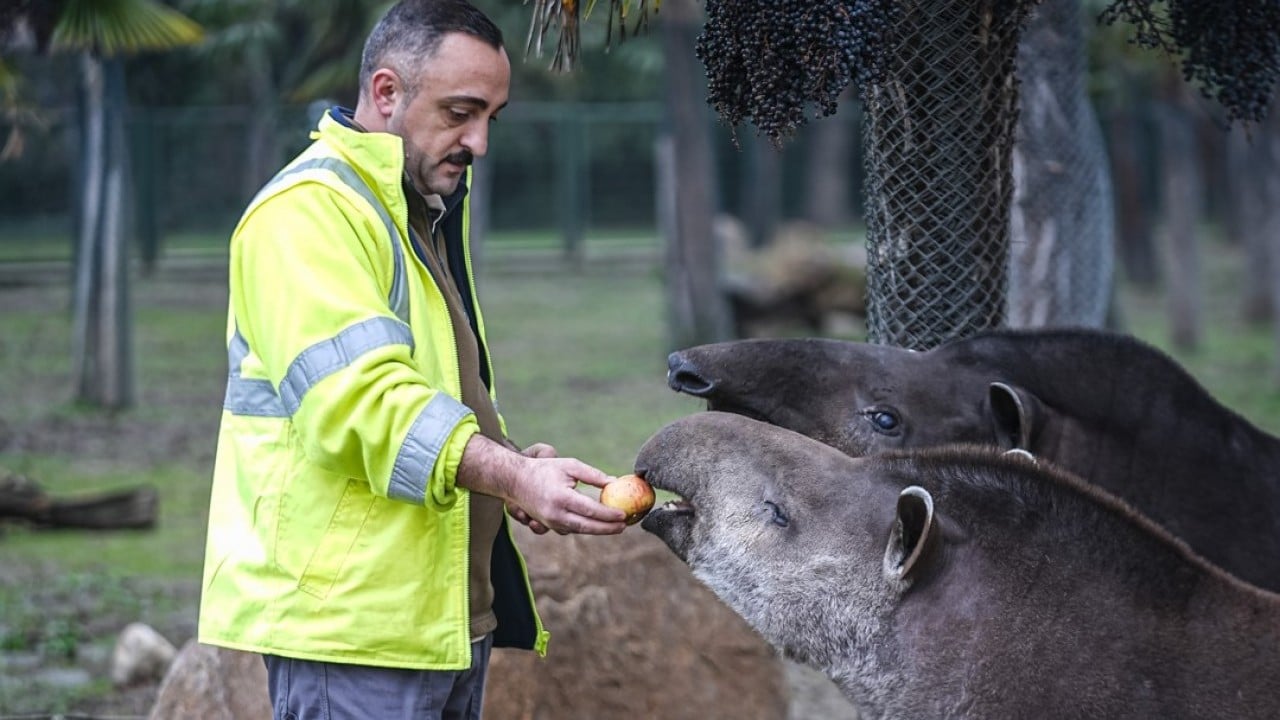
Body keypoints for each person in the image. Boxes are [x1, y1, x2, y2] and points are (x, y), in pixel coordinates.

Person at [196, 1, 628, 717]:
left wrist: (511, 464)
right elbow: (362, 404)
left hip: (440, 625)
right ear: (388, 92)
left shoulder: (409, 211)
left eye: (493, 116)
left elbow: (432, 392)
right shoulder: (309, 214)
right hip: (354, 636)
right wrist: (512, 475)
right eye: (461, 112)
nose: (479, 141)